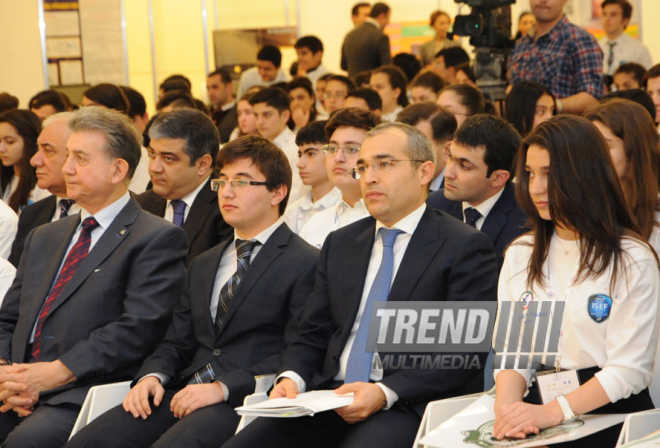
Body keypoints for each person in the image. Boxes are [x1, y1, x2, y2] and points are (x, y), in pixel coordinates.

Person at [222, 122, 498, 448]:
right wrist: (291, 378)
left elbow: (462, 352)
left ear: (425, 172)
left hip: (406, 401)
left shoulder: (464, 246)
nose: (369, 177)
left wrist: (383, 392)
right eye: (364, 167)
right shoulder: (342, 243)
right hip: (328, 397)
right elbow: (311, 333)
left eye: (384, 164)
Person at [65, 135, 319, 448]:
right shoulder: (204, 262)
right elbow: (177, 339)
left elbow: (299, 348)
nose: (227, 191)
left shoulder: (306, 261)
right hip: (182, 388)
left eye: (242, 182)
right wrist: (152, 376)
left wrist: (223, 387)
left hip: (241, 397)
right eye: (222, 181)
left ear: (277, 192)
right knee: (88, 441)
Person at [0, 106, 188, 447]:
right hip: (16, 385)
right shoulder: (45, 236)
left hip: (83, 390)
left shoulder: (155, 237)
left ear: (118, 169)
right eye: (68, 155)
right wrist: (5, 374)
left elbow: (138, 329)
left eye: (80, 159)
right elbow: (8, 318)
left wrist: (54, 373)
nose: (67, 168)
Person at [493, 115, 659, 447]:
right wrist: (506, 407)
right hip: (542, 399)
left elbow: (628, 369)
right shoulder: (521, 254)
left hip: (610, 410)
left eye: (550, 174)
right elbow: (516, 350)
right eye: (529, 173)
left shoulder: (631, 258)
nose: (536, 187)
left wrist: (553, 412)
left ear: (586, 174)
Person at [427, 114, 527, 271]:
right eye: (451, 158)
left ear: (498, 178)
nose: (448, 173)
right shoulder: (432, 206)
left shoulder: (527, 220)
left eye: (464, 166)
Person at [136, 109, 232, 267]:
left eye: (168, 158)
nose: (154, 167)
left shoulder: (227, 206)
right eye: (152, 154)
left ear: (202, 164)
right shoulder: (141, 205)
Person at [585, 98, 660, 253]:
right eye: (589, 146)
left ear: (634, 151)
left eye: (604, 146)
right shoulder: (583, 214)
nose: (593, 156)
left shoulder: (656, 226)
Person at [298, 108, 379, 249]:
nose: (338, 158)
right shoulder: (315, 223)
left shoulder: (386, 219)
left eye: (351, 149)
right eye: (333, 149)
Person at [507, 0, 604, 114]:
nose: (543, 1)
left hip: (561, 129)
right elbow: (511, 86)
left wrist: (549, 107)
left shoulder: (580, 40)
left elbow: (593, 98)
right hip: (521, 129)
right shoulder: (522, 44)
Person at [8, 112, 80, 267]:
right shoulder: (32, 214)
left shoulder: (118, 214)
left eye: (48, 150)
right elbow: (17, 277)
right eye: (37, 149)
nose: (34, 160)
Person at [82, 83, 150, 194]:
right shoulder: (87, 146)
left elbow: (138, 195)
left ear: (113, 112)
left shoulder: (135, 153)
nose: (84, 114)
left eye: (91, 108)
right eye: (82, 108)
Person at [250, 88, 307, 203]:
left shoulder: (296, 148)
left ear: (285, 116)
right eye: (256, 115)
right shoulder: (254, 148)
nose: (260, 121)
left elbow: (295, 194)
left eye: (267, 115)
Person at [284, 121, 342, 233]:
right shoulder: (292, 211)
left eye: (311, 154)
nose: (300, 164)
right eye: (300, 155)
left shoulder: (346, 207)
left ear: (332, 154)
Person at [397, 102, 456, 191]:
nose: (406, 155)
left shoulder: (460, 193)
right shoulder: (395, 183)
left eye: (417, 146)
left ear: (447, 151)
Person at [0, 110, 50, 213]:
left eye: (10, 142)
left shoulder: (41, 185)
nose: (1, 148)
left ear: (30, 141)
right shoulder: (6, 178)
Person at [599, 0, 653, 77]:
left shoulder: (638, 49)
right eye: (604, 14)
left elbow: (648, 79)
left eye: (613, 15)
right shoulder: (595, 47)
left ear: (625, 21)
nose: (607, 19)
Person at [341, 2, 392, 77]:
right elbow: (387, 68)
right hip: (372, 86)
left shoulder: (349, 35)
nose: (388, 22)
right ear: (382, 16)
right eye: (388, 18)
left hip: (353, 86)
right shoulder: (381, 37)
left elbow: (343, 65)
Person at [207, 68, 238, 144]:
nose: (210, 93)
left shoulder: (239, 113)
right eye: (208, 88)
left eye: (215, 87)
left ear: (229, 87)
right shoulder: (205, 111)